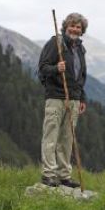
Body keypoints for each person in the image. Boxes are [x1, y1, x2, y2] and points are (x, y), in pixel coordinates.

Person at [38, 12, 88, 188]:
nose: (75, 29)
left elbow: (81, 76)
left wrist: (81, 98)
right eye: (72, 25)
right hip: (56, 97)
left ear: (82, 31)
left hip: (73, 99)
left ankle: (64, 175)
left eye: (78, 27)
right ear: (66, 27)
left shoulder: (80, 49)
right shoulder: (56, 44)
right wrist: (55, 68)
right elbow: (42, 69)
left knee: (67, 138)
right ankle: (48, 174)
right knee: (51, 136)